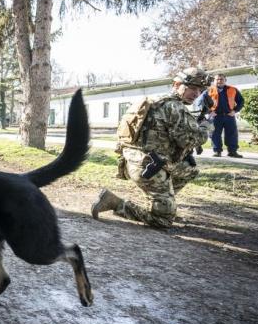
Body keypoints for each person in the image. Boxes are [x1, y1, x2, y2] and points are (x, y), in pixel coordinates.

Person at [91, 67, 213, 228]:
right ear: (177, 84)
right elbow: (190, 140)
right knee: (162, 221)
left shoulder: (153, 100)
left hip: (134, 162)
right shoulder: (174, 107)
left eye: (200, 90)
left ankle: (163, 202)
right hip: (150, 167)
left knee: (190, 170)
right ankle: (114, 203)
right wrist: (206, 127)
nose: (196, 94)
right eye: (192, 88)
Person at [196, 72, 244, 157]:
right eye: (217, 79)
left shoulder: (233, 90)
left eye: (221, 79)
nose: (219, 81)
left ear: (225, 80)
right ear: (214, 81)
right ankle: (217, 151)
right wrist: (209, 112)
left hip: (229, 116)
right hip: (215, 116)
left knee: (232, 134)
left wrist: (235, 111)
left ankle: (232, 151)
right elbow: (200, 102)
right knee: (215, 134)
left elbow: (241, 101)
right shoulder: (208, 91)